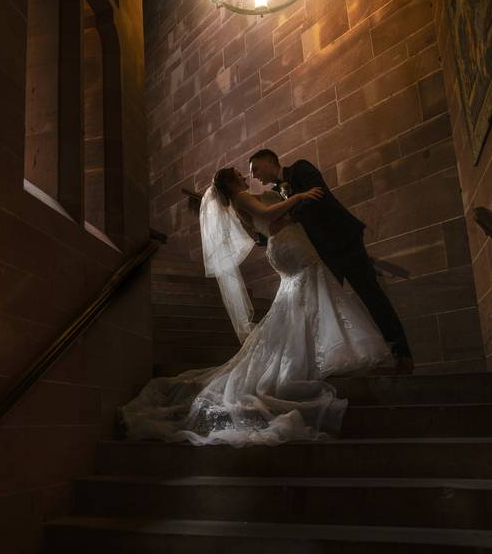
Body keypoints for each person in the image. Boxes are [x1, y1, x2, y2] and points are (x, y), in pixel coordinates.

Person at [119, 168, 393, 447]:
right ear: (230, 181)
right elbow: (265, 216)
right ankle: (316, 356)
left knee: (299, 299)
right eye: (238, 173)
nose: (242, 174)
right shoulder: (241, 197)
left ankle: (317, 352)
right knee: (309, 287)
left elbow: (259, 228)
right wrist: (297, 197)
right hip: (288, 244)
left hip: (283, 245)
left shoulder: (240, 202)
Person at [249, 149, 414, 374]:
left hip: (343, 241)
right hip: (320, 254)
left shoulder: (300, 168)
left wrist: (290, 212)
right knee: (332, 306)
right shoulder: (276, 192)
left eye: (256, 169)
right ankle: (346, 360)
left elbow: (318, 198)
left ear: (270, 160)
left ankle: (401, 352)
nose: (255, 176)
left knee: (371, 295)